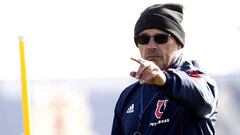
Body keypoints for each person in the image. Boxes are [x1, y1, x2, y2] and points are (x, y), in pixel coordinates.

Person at [111, 3, 219, 135]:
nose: (151, 46)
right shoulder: (128, 96)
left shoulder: (196, 79)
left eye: (160, 38)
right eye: (143, 39)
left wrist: (164, 79)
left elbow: (204, 100)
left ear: (179, 43)